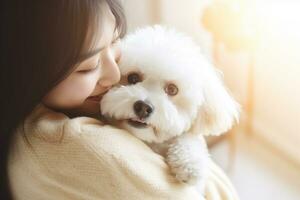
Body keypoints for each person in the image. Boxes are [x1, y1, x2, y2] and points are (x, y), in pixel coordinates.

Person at [0, 0, 239, 199]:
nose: (115, 75)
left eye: (115, 43)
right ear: (31, 72)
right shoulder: (81, 144)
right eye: (89, 66)